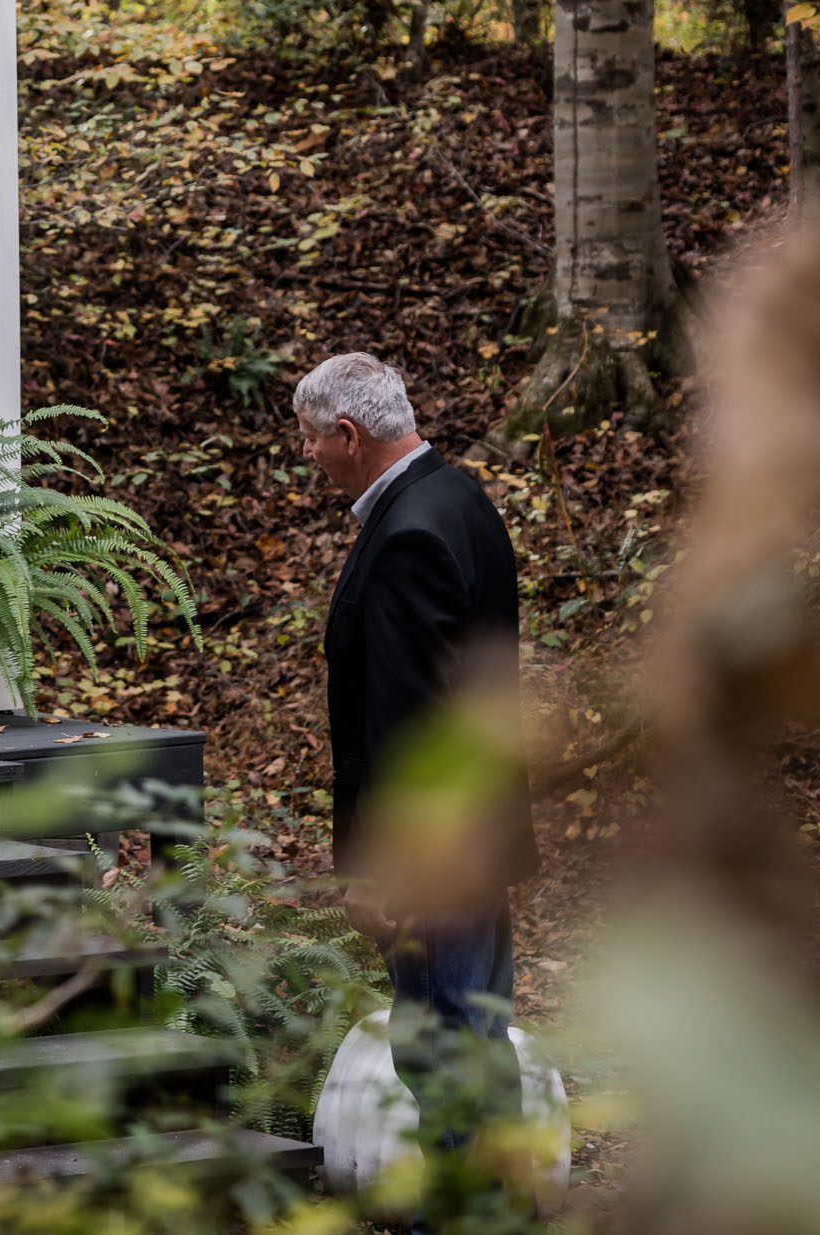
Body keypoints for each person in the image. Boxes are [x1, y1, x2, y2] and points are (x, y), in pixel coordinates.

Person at [294, 354, 537, 1149]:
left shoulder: (407, 536)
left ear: (348, 433)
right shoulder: (459, 498)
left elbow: (409, 728)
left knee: (446, 1058)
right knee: (479, 1047)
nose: (307, 456)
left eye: (309, 440)